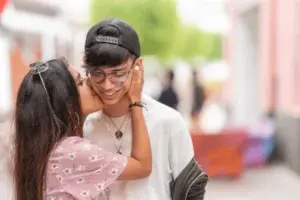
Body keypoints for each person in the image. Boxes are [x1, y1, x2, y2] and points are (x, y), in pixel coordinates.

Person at [83, 17, 208, 200]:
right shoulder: (83, 126)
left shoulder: (168, 121)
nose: (107, 85)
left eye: (118, 74)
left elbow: (191, 191)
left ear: (138, 66)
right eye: (97, 74)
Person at [13, 57, 151, 200]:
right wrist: (135, 100)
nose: (90, 81)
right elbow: (142, 166)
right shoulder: (71, 151)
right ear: (64, 102)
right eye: (80, 82)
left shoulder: (50, 149)